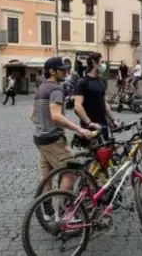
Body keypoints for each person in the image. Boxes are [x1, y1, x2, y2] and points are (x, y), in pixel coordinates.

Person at [31, 57, 92, 203]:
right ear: (52, 71)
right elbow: (56, 116)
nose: (66, 72)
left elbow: (33, 116)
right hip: (54, 140)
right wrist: (79, 129)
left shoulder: (41, 88)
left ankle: (46, 208)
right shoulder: (56, 90)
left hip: (40, 139)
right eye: (62, 69)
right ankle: (63, 213)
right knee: (69, 173)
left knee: (47, 175)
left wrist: (44, 127)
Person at [74, 53, 121, 139]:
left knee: (105, 150)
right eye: (101, 62)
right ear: (94, 63)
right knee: (92, 152)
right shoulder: (83, 82)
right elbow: (77, 106)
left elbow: (104, 102)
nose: (104, 65)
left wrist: (113, 120)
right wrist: (89, 123)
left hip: (103, 123)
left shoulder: (102, 81)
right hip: (90, 125)